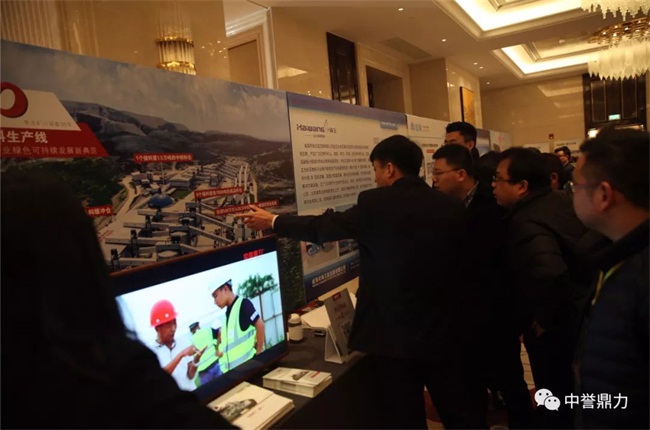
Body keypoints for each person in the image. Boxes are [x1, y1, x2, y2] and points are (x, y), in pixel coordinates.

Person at [235, 135, 485, 429]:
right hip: (445, 333)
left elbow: (323, 228)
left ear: (389, 168)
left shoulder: (375, 203)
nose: (376, 178)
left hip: (393, 338)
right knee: (459, 412)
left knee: (405, 417)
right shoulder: (450, 206)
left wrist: (274, 221)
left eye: (376, 169)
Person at [1, 170, 236, 429]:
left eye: (172, 322)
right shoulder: (115, 371)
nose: (172, 327)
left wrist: (193, 363)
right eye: (166, 323)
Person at [492, 148, 600, 429]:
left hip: (558, 327)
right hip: (582, 313)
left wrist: (544, 319)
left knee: (554, 394)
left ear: (522, 186)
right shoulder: (562, 200)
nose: (493, 185)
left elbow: (550, 272)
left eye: (498, 179)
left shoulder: (527, 221)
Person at [432, 144, 533, 428]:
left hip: (495, 315)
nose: (434, 179)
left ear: (461, 174)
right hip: (465, 317)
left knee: (509, 379)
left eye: (438, 173)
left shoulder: (492, 207)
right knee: (470, 383)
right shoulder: (449, 207)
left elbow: (494, 265)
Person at [571, 128, 649, 429]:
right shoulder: (617, 256)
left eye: (575, 185)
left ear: (604, 195)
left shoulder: (641, 274)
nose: (571, 194)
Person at [210, 279, 265, 372]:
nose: (215, 302)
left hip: (249, 371)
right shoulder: (227, 315)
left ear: (225, 289)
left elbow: (260, 325)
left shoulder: (243, 304)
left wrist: (259, 353)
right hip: (235, 374)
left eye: (215, 296)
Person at [149, 299, 201, 391]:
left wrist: (196, 360)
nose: (173, 329)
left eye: (174, 323)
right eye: (168, 326)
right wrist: (181, 355)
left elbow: (190, 376)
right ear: (157, 329)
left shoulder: (183, 342)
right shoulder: (151, 353)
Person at [189, 321, 224, 386]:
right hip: (215, 364)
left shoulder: (191, 340)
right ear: (198, 325)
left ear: (191, 330)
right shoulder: (207, 330)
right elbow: (219, 332)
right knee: (224, 385)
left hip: (204, 372)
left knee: (209, 391)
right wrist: (217, 348)